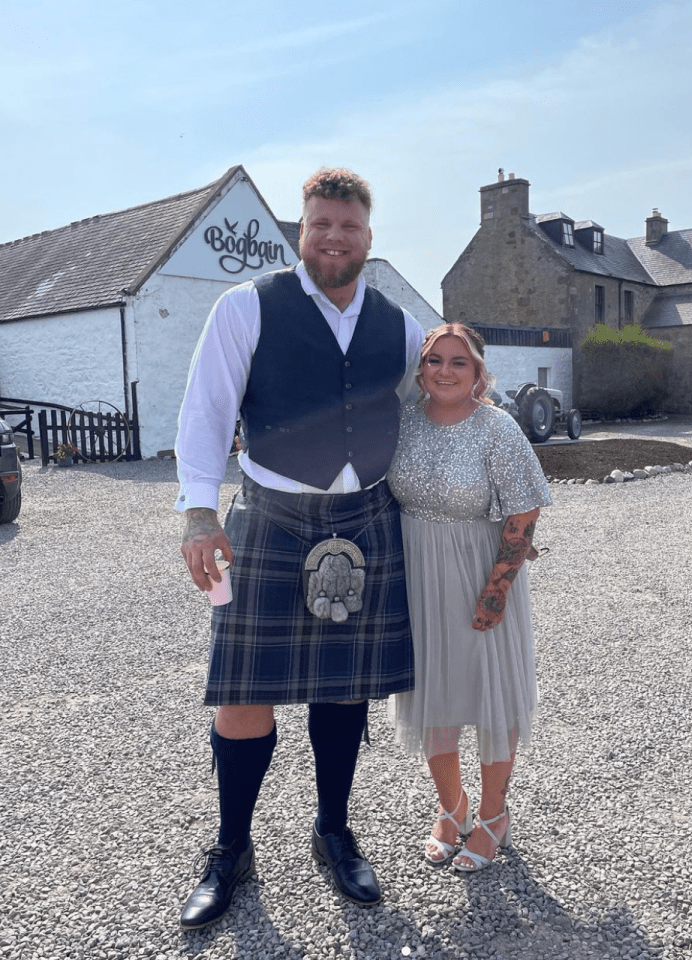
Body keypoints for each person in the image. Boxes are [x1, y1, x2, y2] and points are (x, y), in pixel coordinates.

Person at [175, 168, 423, 927]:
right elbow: (207, 411)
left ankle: (334, 832)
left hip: (366, 518)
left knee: (344, 689)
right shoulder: (246, 306)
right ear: (301, 230)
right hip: (272, 519)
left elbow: (436, 411)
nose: (333, 237)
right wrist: (197, 513)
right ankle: (231, 848)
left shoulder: (401, 323)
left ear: (368, 237)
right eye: (320, 224)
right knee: (244, 693)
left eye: (348, 227)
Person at [386, 323, 551, 872]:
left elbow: (524, 510)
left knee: (489, 691)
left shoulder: (497, 429)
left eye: (459, 362)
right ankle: (451, 808)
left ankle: (493, 814)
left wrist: (497, 589)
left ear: (479, 372)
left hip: (478, 569)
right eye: (435, 360)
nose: (445, 371)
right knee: (433, 687)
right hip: (416, 569)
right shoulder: (403, 423)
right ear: (420, 369)